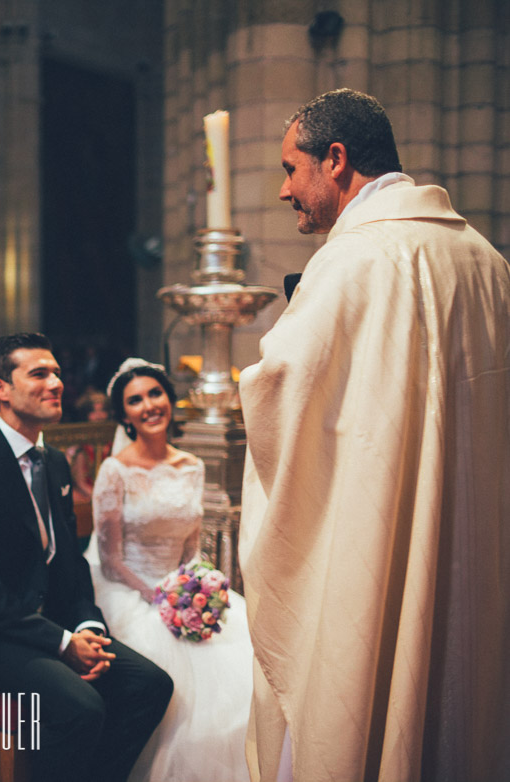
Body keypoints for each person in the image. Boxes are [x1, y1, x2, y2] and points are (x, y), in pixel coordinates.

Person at [239, 88, 510, 782]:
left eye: (290, 169)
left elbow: (281, 392)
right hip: (476, 545)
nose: (283, 189)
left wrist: (253, 378)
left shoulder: (351, 259)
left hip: (377, 534)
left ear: (335, 160)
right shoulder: (485, 259)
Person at [0, 333, 173, 781]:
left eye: (57, 373)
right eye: (39, 373)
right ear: (1, 389)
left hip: (44, 625)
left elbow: (70, 563)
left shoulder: (55, 465)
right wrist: (64, 644)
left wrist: (87, 626)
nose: (56, 383)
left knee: (150, 684)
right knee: (81, 707)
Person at [86, 358, 253, 781]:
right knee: (177, 679)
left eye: (155, 394)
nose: (148, 405)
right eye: (135, 400)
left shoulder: (192, 466)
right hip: (127, 587)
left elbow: (192, 549)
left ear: (169, 399)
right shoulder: (114, 469)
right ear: (124, 415)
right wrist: (160, 597)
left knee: (244, 658)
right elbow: (110, 559)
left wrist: (200, 587)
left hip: (181, 585)